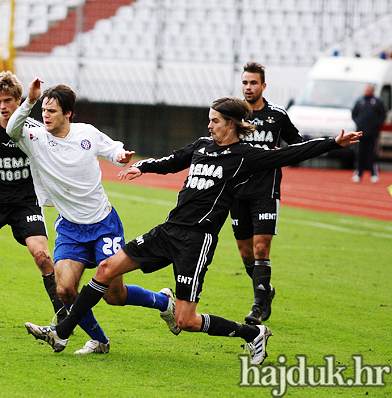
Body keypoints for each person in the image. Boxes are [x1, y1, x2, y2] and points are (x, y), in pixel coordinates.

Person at [24, 97, 361, 365]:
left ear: (230, 124)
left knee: (186, 320)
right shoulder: (202, 145)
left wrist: (333, 143)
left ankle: (252, 333)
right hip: (169, 230)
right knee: (107, 269)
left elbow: (291, 152)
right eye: (209, 120)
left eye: (215, 120)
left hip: (196, 242)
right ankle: (63, 333)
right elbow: (172, 160)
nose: (209, 125)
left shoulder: (244, 156)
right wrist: (142, 167)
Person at [7, 78, 179, 355]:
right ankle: (99, 340)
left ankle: (163, 302)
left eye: (52, 111)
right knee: (64, 291)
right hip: (69, 227)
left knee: (114, 295)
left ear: (68, 113)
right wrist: (30, 100)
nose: (45, 116)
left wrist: (121, 155)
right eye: (44, 110)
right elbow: (11, 128)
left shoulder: (86, 133)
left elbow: (112, 149)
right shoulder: (35, 138)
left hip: (103, 224)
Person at [0, 71, 66, 330]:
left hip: (26, 203)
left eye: (8, 100)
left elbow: (53, 162)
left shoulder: (37, 131)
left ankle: (62, 313)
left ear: (19, 100)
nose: (3, 106)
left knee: (41, 256)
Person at [232, 62, 304, 325]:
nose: (248, 87)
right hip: (237, 190)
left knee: (261, 248)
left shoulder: (277, 116)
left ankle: (258, 306)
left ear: (263, 85)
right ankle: (267, 290)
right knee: (246, 252)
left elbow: (297, 143)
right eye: (244, 83)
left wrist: (282, 154)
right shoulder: (234, 114)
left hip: (266, 190)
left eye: (253, 83)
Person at [351, 84, 387, 184]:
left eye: (368, 89)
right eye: (366, 89)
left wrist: (376, 124)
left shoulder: (377, 102)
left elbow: (383, 115)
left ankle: (374, 174)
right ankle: (358, 173)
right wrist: (359, 123)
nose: (367, 91)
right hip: (361, 133)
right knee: (360, 154)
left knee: (372, 154)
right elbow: (354, 114)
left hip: (373, 133)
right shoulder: (360, 101)